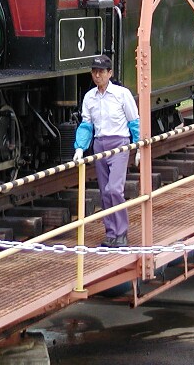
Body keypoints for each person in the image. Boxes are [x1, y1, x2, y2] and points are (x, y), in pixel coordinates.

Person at [73, 54, 140, 247]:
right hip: (99, 144)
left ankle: (121, 232)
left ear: (109, 73)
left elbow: (134, 122)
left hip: (119, 144)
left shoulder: (122, 94)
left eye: (101, 72)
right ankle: (111, 233)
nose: (97, 75)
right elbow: (86, 125)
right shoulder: (89, 97)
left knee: (114, 189)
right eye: (94, 71)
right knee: (104, 192)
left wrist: (139, 147)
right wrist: (80, 147)